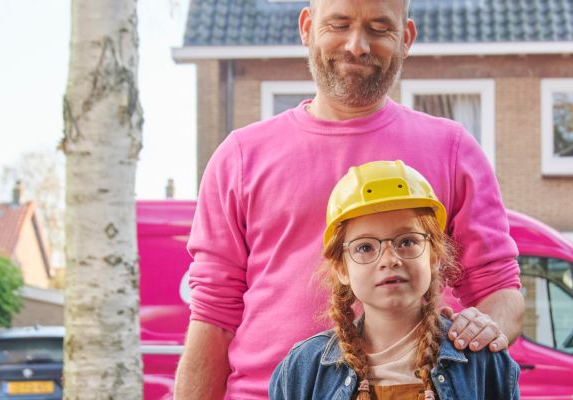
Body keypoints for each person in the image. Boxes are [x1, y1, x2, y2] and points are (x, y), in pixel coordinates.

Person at [174, 0, 525, 397]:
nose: (357, 45)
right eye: (338, 24)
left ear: (406, 38)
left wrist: (481, 328)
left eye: (379, 29)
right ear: (307, 27)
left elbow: (501, 291)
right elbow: (213, 316)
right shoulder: (240, 157)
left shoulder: (453, 149)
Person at [269, 161, 519, 399]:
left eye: (407, 242)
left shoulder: (482, 362)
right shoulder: (302, 370)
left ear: (434, 257)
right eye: (365, 247)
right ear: (342, 269)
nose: (389, 259)